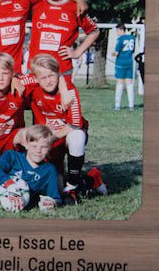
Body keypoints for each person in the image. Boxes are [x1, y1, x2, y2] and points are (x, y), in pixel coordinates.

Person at [20, 53, 105, 203]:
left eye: (52, 76)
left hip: (65, 135)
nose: (48, 81)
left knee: (77, 136)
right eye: (43, 77)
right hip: (49, 140)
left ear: (58, 74)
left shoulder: (69, 90)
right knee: (55, 185)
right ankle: (92, 179)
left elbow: (76, 124)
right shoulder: (34, 84)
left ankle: (72, 184)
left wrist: (52, 138)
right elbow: (14, 79)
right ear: (36, 78)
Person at [27, 0, 100, 76]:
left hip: (62, 70)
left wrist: (77, 53)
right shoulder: (36, 2)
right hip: (35, 70)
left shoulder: (75, 8)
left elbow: (94, 31)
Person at [112, 23, 137, 111]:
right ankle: (131, 105)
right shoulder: (132, 38)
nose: (116, 32)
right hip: (129, 62)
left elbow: (116, 53)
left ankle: (117, 105)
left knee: (120, 83)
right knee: (129, 83)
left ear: (121, 30)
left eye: (117, 30)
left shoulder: (120, 39)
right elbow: (132, 50)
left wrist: (113, 54)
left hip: (121, 63)